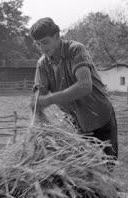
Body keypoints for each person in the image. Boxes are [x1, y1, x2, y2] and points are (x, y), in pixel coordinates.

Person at [30, 17, 118, 159]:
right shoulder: (42, 64)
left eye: (45, 42)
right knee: (83, 171)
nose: (42, 48)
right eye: (38, 44)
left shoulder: (75, 50)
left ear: (57, 36)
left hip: (100, 117)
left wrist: (50, 99)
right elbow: (38, 99)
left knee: (105, 167)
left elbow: (85, 86)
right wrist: (40, 122)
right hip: (75, 124)